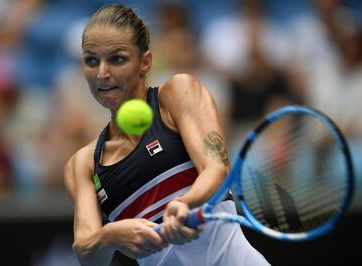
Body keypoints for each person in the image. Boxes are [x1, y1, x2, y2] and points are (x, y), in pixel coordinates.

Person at [64, 4, 270, 266]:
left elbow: (216, 169)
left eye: (117, 59)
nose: (102, 73)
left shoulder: (177, 94)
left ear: (145, 62)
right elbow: (86, 252)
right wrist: (110, 236)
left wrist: (185, 202)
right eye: (91, 60)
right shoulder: (83, 165)